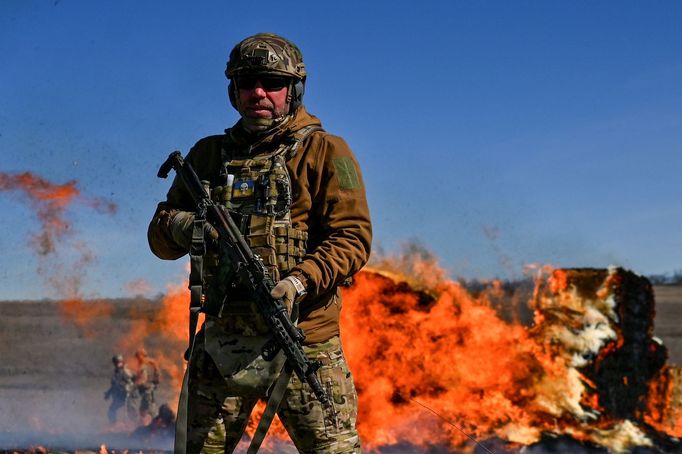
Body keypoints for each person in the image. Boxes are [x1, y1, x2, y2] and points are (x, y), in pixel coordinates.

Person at [148, 32, 372, 453]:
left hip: (302, 340)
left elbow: (353, 238)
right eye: (247, 82)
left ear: (294, 89)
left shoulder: (326, 152)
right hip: (222, 344)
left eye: (272, 82)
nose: (259, 93)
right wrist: (188, 227)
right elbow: (160, 237)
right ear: (233, 91)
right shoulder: (207, 157)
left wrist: (298, 283)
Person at [104, 354, 135, 424]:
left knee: (130, 413)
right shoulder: (117, 372)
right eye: (116, 363)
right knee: (111, 410)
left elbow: (132, 382)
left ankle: (133, 425)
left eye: (119, 362)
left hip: (127, 396)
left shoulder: (125, 371)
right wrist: (108, 393)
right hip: (119, 396)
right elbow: (114, 385)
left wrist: (127, 389)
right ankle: (113, 424)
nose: (118, 364)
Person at [133, 348, 160, 424]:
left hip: (147, 389)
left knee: (150, 408)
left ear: (142, 355)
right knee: (143, 409)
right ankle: (142, 423)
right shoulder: (148, 363)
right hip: (147, 389)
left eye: (138, 356)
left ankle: (157, 423)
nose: (137, 358)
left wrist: (134, 385)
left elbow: (143, 379)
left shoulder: (145, 365)